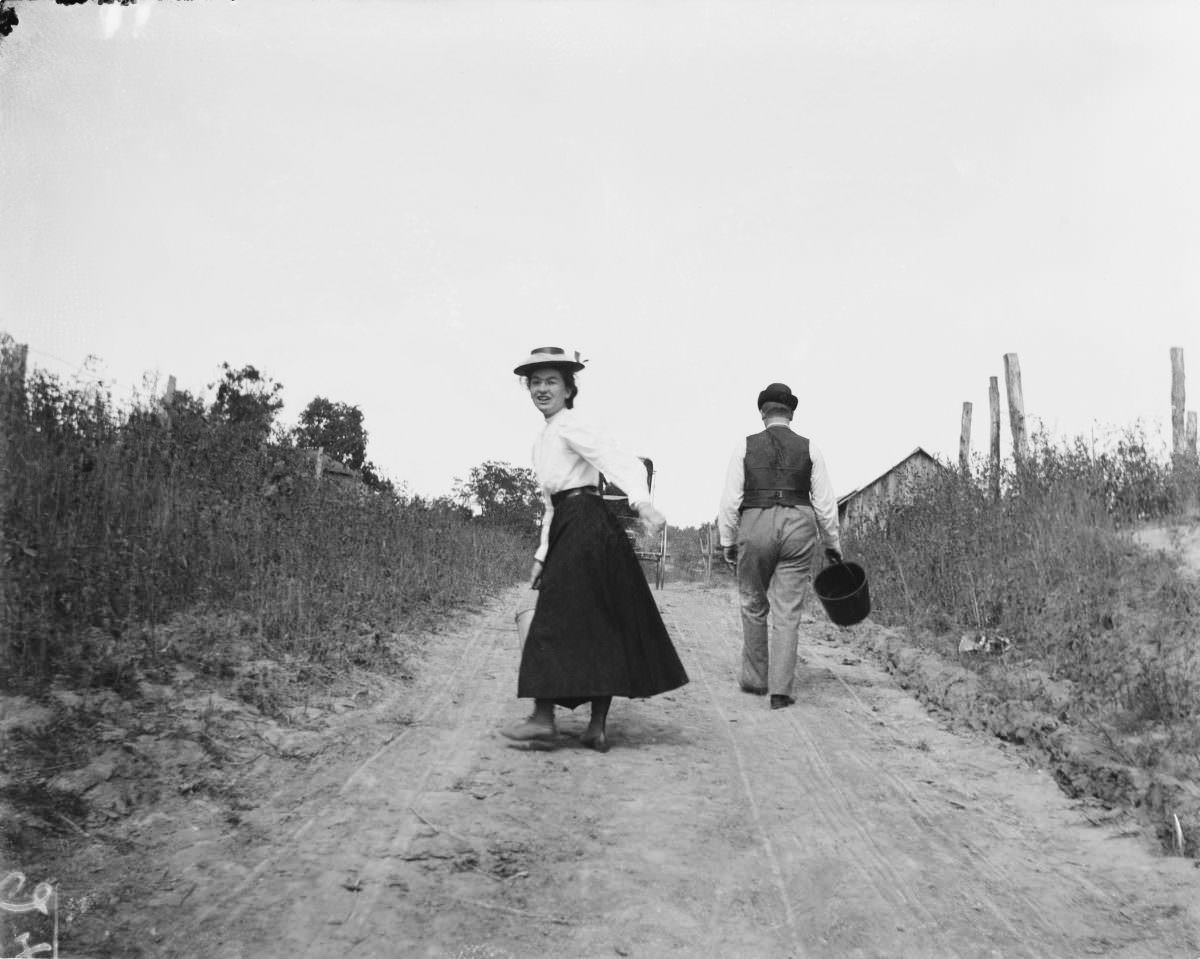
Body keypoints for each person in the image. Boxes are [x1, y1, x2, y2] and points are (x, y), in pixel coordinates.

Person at [501, 346, 689, 752]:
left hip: (588, 524)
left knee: (552, 615)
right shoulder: (543, 440)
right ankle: (594, 727)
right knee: (598, 622)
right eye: (535, 382)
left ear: (569, 389)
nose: (542, 389)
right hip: (572, 523)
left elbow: (620, 461)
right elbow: (552, 505)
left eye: (551, 381)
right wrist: (540, 555)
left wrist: (642, 503)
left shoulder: (572, 426)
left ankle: (543, 718)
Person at [717, 382, 842, 710]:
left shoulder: (744, 447)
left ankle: (756, 679)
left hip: (755, 523)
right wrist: (833, 544)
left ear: (763, 413)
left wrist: (727, 541)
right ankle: (781, 691)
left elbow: (730, 502)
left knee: (753, 602)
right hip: (800, 525)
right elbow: (826, 505)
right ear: (791, 413)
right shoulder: (811, 447)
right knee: (788, 609)